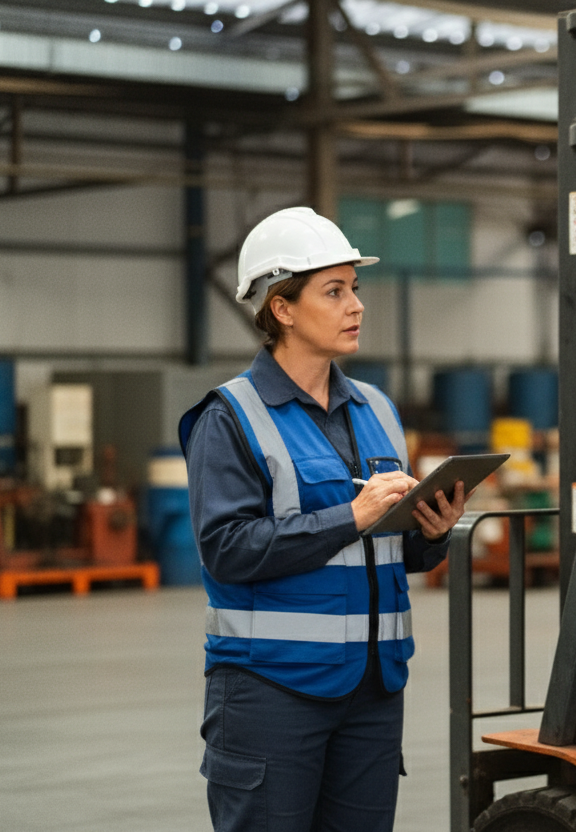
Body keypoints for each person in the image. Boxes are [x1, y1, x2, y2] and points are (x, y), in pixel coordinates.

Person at [178, 206, 468, 831]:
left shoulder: (377, 410)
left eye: (354, 289)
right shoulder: (229, 418)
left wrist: (431, 534)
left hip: (372, 692)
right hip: (270, 692)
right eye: (333, 291)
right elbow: (226, 550)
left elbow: (388, 552)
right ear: (281, 308)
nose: (355, 306)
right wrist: (352, 516)